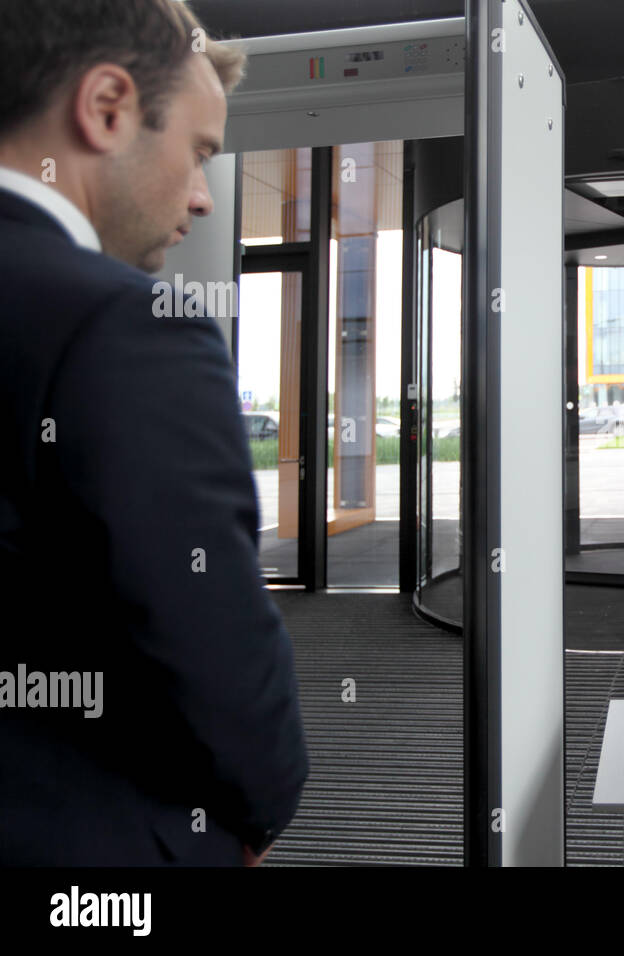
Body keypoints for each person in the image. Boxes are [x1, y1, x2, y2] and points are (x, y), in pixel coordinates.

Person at [0, 0, 308, 865]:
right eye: (202, 151)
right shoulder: (123, 327)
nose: (206, 197)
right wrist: (258, 815)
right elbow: (217, 664)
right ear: (105, 108)